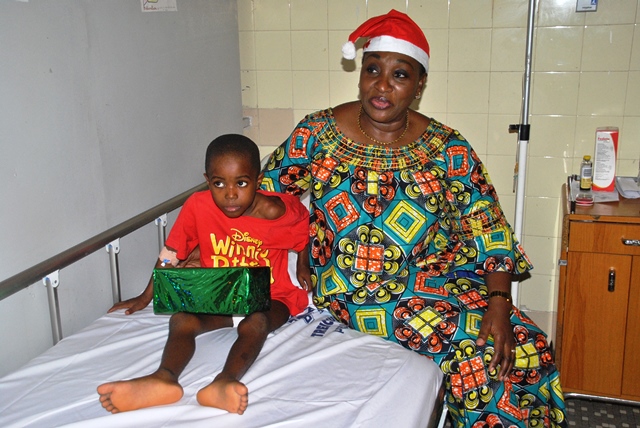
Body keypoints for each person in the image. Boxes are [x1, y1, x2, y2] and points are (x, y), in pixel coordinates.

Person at [260, 9, 567, 428]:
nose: (382, 86)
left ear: (419, 85)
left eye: (399, 75)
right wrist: (299, 244)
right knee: (478, 355)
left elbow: (488, 226)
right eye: (373, 70)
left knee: (527, 342)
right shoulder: (316, 134)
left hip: (442, 275)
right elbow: (264, 199)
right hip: (359, 287)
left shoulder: (447, 147)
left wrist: (499, 301)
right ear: (360, 75)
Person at [97, 134, 311, 415]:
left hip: (271, 295)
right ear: (207, 179)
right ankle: (164, 378)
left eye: (242, 183)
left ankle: (225, 381)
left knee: (257, 321)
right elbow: (172, 252)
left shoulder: (276, 211)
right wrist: (145, 295)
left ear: (258, 180)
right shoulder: (198, 206)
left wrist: (302, 265)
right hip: (219, 292)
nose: (230, 194)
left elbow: (304, 232)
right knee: (182, 319)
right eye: (218, 183)